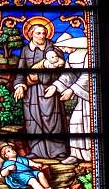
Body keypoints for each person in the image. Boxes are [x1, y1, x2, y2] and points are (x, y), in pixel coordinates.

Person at [13, 19, 68, 159]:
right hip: (31, 92)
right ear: (30, 34)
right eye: (38, 33)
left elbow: (62, 68)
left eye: (44, 33)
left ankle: (58, 151)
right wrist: (19, 84)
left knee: (54, 120)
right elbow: (21, 69)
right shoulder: (26, 50)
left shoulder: (54, 49)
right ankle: (36, 151)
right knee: (33, 120)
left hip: (49, 89)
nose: (42, 36)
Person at [44, 33, 91, 165]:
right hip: (82, 96)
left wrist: (72, 90)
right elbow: (67, 76)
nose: (63, 50)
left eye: (64, 47)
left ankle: (91, 154)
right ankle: (76, 154)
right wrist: (55, 86)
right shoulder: (71, 57)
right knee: (76, 122)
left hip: (92, 96)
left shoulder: (88, 54)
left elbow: (88, 75)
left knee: (90, 124)